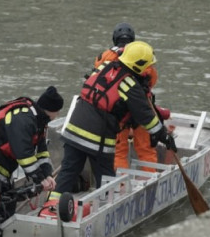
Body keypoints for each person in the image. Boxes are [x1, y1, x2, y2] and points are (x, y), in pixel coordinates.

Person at [51, 41, 175, 202]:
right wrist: (164, 136)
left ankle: (52, 206)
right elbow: (146, 116)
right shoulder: (129, 84)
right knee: (106, 179)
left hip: (73, 130)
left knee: (68, 171)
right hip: (98, 139)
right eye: (147, 66)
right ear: (139, 65)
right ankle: (104, 208)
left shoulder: (105, 66)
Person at [92, 23, 168, 171]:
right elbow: (152, 80)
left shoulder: (104, 57)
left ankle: (119, 187)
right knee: (146, 150)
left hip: (117, 111)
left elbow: (98, 80)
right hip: (142, 110)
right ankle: (150, 180)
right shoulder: (143, 55)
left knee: (118, 152)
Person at [0, 86, 63, 195]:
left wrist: (47, 175)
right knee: (0, 206)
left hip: (1, 167)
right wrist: (40, 179)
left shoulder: (39, 122)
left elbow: (42, 153)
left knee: (8, 204)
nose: (58, 115)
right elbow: (23, 155)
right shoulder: (23, 119)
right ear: (51, 110)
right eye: (58, 112)